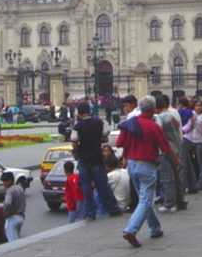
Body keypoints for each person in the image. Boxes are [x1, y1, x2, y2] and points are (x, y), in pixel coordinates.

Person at [116, 95, 181, 247]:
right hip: (147, 165)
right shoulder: (153, 126)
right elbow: (165, 148)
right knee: (145, 200)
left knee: (145, 199)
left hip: (132, 165)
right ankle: (131, 230)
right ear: (152, 109)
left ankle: (155, 228)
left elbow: (119, 143)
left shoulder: (130, 124)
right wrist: (176, 160)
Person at [70, 102, 122, 220]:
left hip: (84, 159)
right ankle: (113, 209)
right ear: (90, 111)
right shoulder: (100, 122)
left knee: (86, 187)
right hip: (97, 158)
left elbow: (74, 143)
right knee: (102, 185)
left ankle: (90, 213)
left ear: (78, 113)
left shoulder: (77, 126)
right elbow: (105, 138)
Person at [154, 95, 187, 212]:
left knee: (167, 177)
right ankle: (180, 200)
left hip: (165, 150)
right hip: (177, 148)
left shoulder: (160, 118)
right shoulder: (174, 115)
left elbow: (157, 132)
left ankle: (169, 202)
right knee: (177, 177)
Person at [0, 171, 26, 242]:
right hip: (20, 217)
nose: (3, 183)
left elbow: (8, 203)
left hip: (12, 218)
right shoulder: (20, 188)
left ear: (9, 181)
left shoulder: (9, 191)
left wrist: (5, 212)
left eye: (4, 181)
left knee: (12, 242)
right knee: (17, 238)